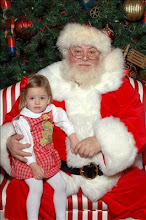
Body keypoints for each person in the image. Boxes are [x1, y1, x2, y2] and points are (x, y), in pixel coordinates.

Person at [1, 23, 146, 220]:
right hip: (55, 171)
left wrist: (101, 142)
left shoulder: (118, 86)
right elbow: (15, 118)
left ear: (102, 56)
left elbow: (137, 125)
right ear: (66, 54)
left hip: (111, 175)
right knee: (21, 191)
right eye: (77, 51)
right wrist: (10, 141)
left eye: (92, 52)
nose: (85, 57)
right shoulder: (47, 83)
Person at [10, 74, 79, 220]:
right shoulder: (23, 120)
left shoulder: (51, 110)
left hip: (46, 156)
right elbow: (26, 145)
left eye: (41, 98)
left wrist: (72, 137)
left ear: (48, 99)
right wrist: (34, 165)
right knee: (36, 187)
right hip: (28, 160)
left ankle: (61, 217)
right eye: (32, 98)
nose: (37, 102)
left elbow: (64, 121)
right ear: (25, 99)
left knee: (60, 185)